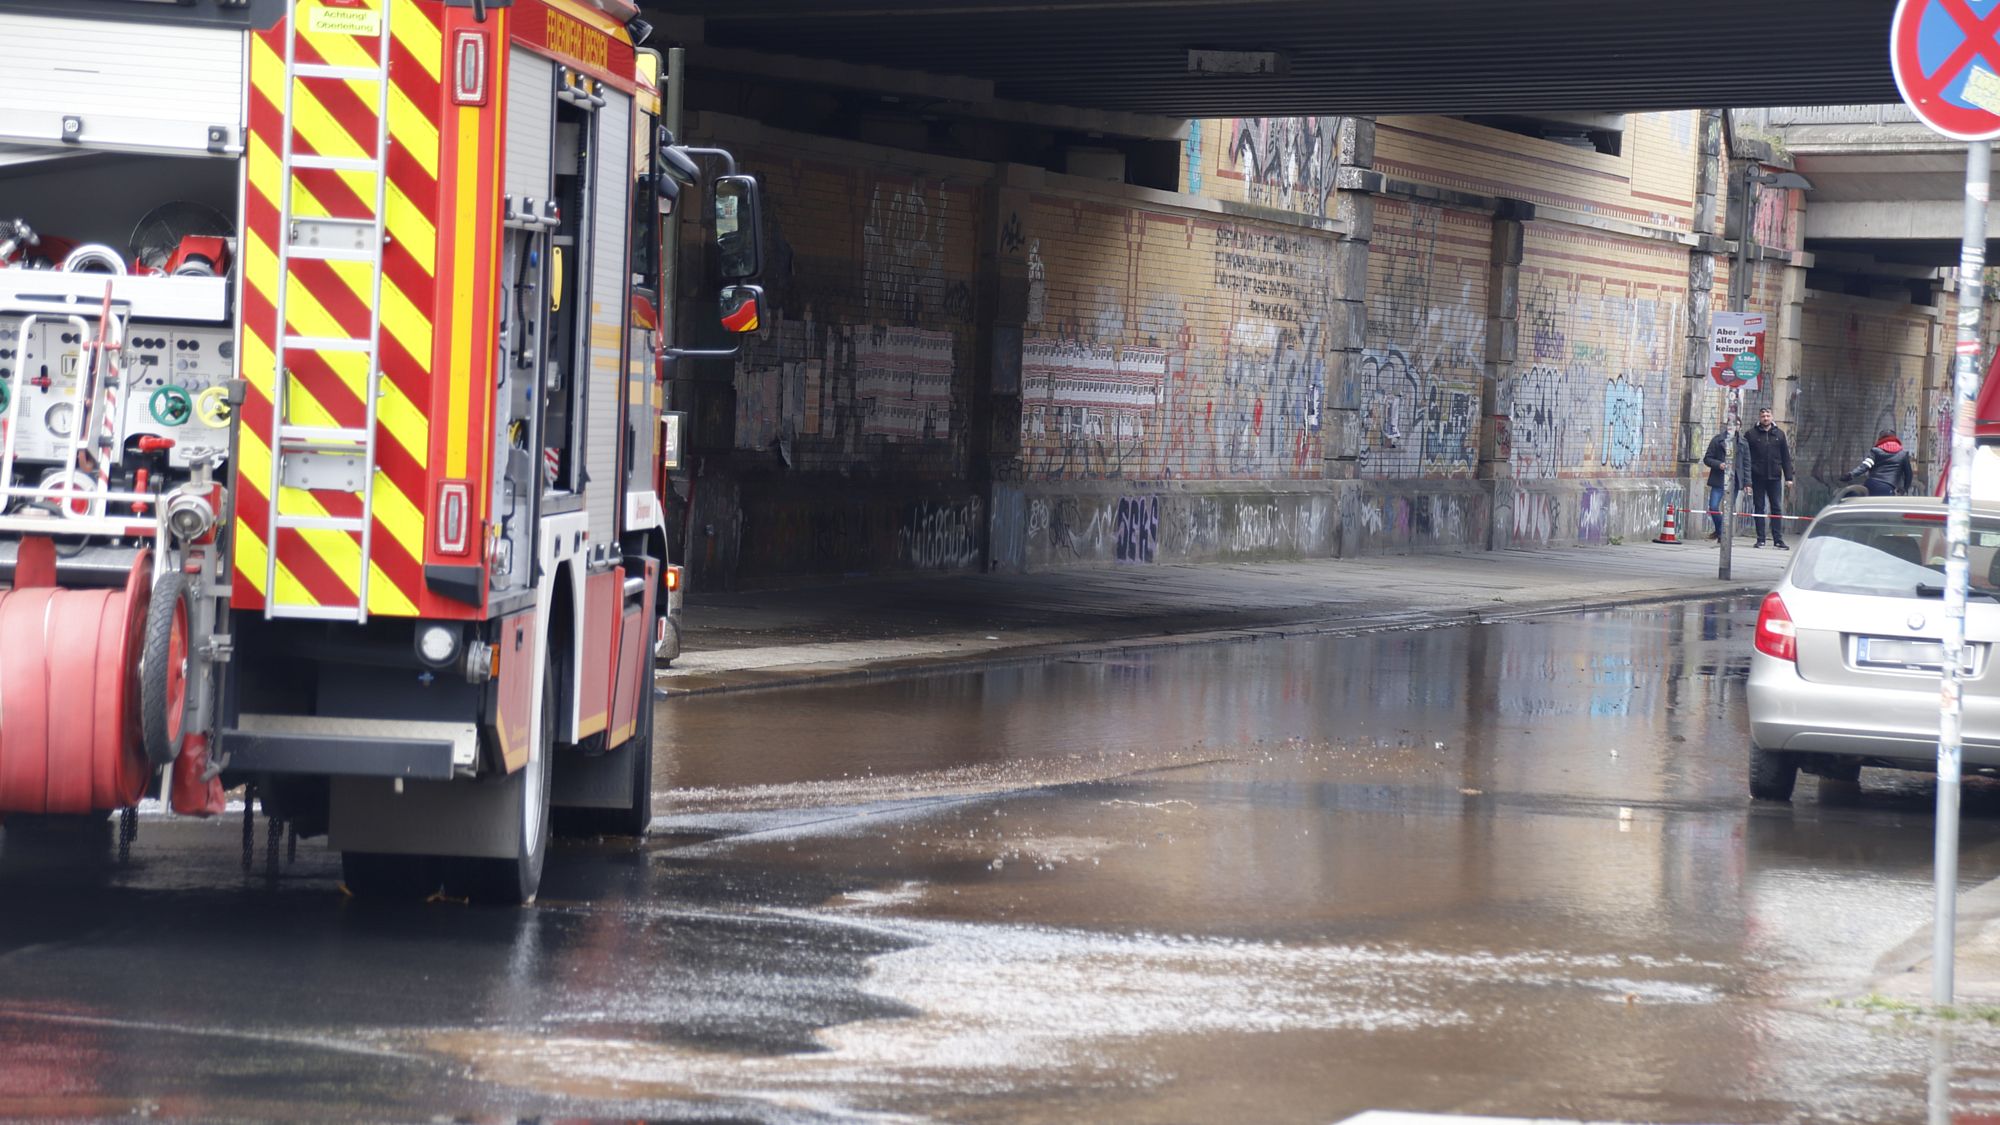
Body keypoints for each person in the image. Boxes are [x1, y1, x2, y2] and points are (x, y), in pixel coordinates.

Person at [1741, 407, 1794, 549]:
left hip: (1775, 477)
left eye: (1768, 415)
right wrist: (1747, 480)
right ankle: (1761, 539)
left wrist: (1788, 477)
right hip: (1757, 477)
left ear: (1772, 417)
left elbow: (1786, 457)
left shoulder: (1779, 434)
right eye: (1763, 416)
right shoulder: (1751, 434)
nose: (1765, 418)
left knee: (1776, 507)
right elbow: (1746, 458)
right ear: (1759, 418)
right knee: (1759, 507)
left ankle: (1778, 540)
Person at [1839, 430, 1914, 497]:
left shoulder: (1875, 451)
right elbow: (1909, 474)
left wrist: (1851, 474)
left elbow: (1865, 466)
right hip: (1888, 487)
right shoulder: (1903, 454)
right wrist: (1905, 488)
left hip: (1871, 484)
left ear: (1880, 439)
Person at [1700, 429, 1732, 540]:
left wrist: (1747, 482)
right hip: (1719, 479)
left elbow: (1746, 462)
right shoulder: (1717, 440)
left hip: (1734, 481)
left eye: (1737, 425)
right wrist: (1719, 464)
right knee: (1713, 507)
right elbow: (1707, 459)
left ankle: (1723, 535)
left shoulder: (1742, 442)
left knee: (1729, 510)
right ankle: (1720, 531)